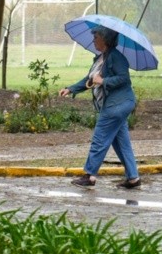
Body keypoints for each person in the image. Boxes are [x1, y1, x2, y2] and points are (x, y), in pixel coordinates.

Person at [58, 26, 142, 189]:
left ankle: (90, 176)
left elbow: (124, 79)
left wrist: (104, 81)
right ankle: (133, 178)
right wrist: (70, 89)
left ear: (105, 39)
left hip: (117, 105)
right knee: (121, 142)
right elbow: (89, 80)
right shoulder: (101, 58)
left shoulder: (116, 57)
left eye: (96, 37)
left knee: (100, 138)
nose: (93, 40)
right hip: (115, 105)